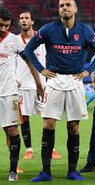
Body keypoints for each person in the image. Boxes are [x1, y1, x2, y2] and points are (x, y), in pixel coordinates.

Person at [24, 0, 95, 182]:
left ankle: (72, 171)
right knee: (48, 124)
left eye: (68, 5)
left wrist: (88, 71)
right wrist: (41, 69)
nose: (64, 8)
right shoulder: (49, 29)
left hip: (75, 81)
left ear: (75, 9)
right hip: (53, 80)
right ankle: (45, 171)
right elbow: (29, 49)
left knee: (73, 126)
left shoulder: (85, 30)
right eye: (61, 5)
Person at [0, 7, 43, 182]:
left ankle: (13, 171)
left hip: (9, 93)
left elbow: (29, 60)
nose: (4, 28)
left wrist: (38, 84)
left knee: (12, 130)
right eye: (1, 24)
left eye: (7, 25)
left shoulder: (14, 41)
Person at [16, 9, 62, 161]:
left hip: (42, 85)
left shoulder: (41, 39)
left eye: (26, 18)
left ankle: (52, 148)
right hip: (22, 86)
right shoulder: (15, 41)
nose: (23, 20)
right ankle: (28, 149)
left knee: (49, 117)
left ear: (32, 21)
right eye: (21, 18)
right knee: (24, 119)